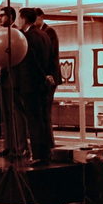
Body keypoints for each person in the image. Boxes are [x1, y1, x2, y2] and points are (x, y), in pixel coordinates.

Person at [17, 7, 53, 166]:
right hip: (43, 84)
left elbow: (32, 61)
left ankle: (37, 154)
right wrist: (48, 76)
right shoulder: (44, 35)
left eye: (19, 18)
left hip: (31, 84)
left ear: (24, 19)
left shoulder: (28, 37)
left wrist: (42, 77)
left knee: (33, 120)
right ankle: (45, 153)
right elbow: (50, 57)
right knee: (42, 119)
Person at [0, 7, 28, 160]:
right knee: (6, 114)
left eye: (2, 16)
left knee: (16, 114)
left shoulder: (17, 35)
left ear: (10, 17)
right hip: (3, 80)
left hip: (14, 79)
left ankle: (21, 147)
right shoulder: (1, 35)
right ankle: (9, 146)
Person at [35, 8, 62, 148]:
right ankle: (44, 141)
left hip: (49, 76)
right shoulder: (38, 32)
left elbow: (52, 55)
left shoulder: (49, 32)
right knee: (41, 110)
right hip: (42, 76)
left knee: (45, 110)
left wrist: (50, 74)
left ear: (41, 17)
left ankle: (49, 142)